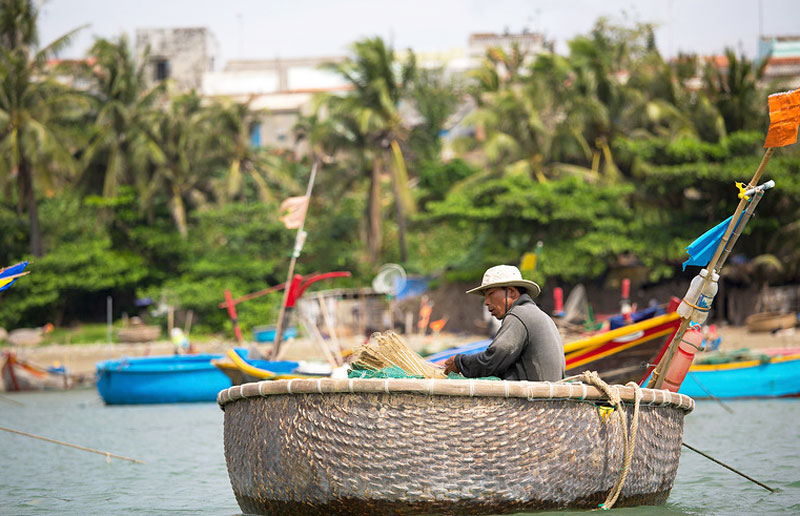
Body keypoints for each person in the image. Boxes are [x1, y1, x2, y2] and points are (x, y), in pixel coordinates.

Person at [443, 265, 565, 381]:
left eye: (490, 294)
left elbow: (492, 361)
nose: (486, 302)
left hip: (536, 397)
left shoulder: (518, 314)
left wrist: (459, 362)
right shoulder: (539, 314)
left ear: (511, 292)